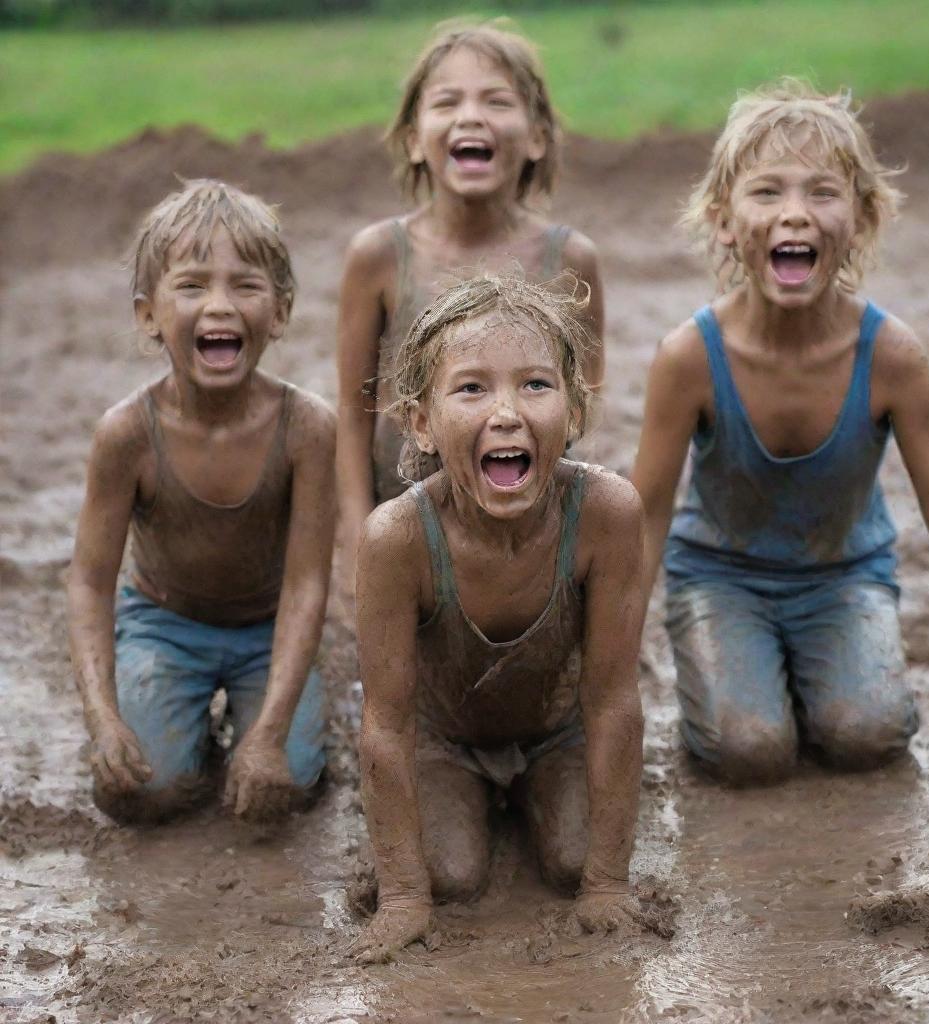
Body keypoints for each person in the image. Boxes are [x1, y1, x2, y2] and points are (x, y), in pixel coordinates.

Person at [631, 81, 929, 786]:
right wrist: (604, 679)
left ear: (863, 218)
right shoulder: (688, 358)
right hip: (721, 576)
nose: (795, 215)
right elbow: (645, 514)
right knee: (749, 750)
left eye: (822, 193)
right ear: (723, 220)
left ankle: (820, 682)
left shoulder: (893, 357)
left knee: (866, 735)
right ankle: (752, 683)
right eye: (767, 193)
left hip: (846, 576)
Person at [347, 273, 643, 964]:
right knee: (450, 876)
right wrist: (402, 898)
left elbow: (614, 700)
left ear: (573, 411)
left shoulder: (606, 514)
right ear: (421, 421)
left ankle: (549, 811)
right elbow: (386, 724)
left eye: (536, 385)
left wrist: (607, 882)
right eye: (472, 388)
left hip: (557, 729)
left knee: (575, 862)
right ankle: (470, 816)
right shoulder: (398, 536)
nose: (507, 413)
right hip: (443, 739)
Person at [68, 180, 337, 823]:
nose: (219, 306)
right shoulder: (127, 434)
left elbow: (306, 587)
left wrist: (269, 736)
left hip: (268, 628)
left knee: (289, 786)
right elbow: (88, 582)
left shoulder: (307, 429)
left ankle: (262, 720)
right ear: (148, 315)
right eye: (191, 286)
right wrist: (104, 721)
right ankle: (187, 725)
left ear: (280, 311)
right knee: (138, 792)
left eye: (245, 285)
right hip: (165, 623)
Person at [335, 20, 605, 605]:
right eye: (448, 101)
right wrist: (360, 537)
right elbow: (353, 417)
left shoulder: (570, 259)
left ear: (536, 137)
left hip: (532, 527)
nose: (471, 116)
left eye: (497, 101)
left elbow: (580, 408)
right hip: (407, 516)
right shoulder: (380, 257)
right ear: (413, 139)